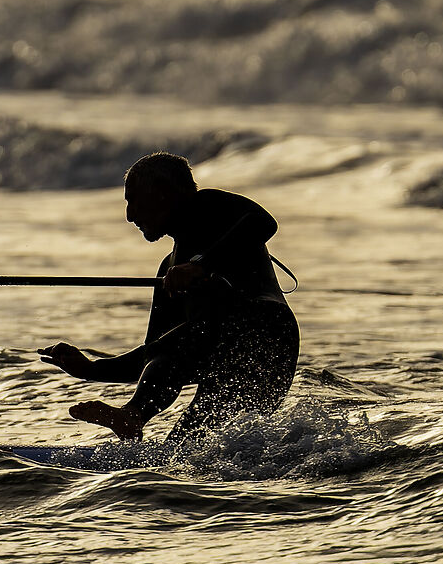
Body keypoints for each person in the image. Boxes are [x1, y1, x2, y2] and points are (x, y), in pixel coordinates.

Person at [38, 152, 300, 442]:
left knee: (195, 342)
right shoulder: (169, 271)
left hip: (267, 335)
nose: (129, 215)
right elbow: (154, 355)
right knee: (185, 449)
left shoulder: (209, 207)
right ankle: (133, 417)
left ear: (163, 193)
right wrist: (90, 368)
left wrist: (201, 266)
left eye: (133, 200)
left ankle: (133, 414)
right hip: (224, 357)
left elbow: (264, 222)